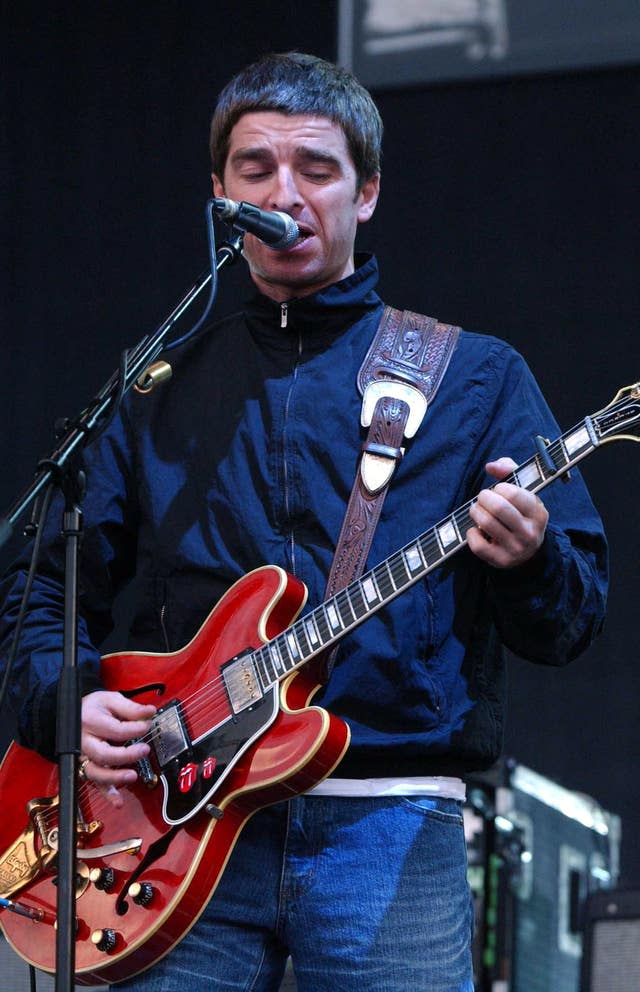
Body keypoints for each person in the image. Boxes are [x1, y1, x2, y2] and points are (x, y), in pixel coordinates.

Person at [0, 52, 607, 992]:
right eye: (256, 168)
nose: (285, 191)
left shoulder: (474, 379)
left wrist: (530, 559)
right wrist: (66, 700)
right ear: (221, 193)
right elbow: (45, 580)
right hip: (174, 826)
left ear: (365, 194)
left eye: (316, 169)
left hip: (388, 821)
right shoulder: (157, 386)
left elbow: (572, 618)